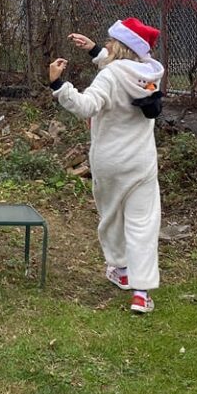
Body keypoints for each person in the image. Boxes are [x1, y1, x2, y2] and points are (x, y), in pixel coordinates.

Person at [49, 18, 164, 314]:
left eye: (112, 41)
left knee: (111, 217)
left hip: (109, 163)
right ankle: (141, 293)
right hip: (140, 163)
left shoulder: (110, 76)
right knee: (143, 224)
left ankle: (120, 269)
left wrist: (59, 84)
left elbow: (86, 106)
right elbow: (126, 70)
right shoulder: (150, 74)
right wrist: (95, 50)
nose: (108, 45)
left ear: (122, 46)